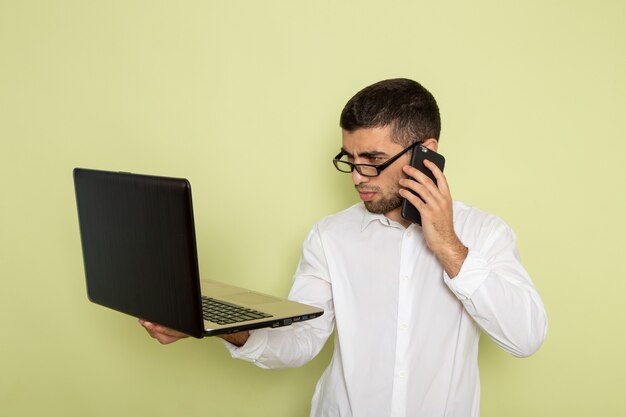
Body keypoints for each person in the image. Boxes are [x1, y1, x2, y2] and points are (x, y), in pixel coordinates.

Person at [141, 78, 548, 417]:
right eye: (349, 158)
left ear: (427, 153)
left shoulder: (485, 232)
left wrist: (449, 247)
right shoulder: (329, 236)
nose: (357, 176)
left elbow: (525, 337)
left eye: (373, 159)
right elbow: (301, 342)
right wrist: (217, 325)